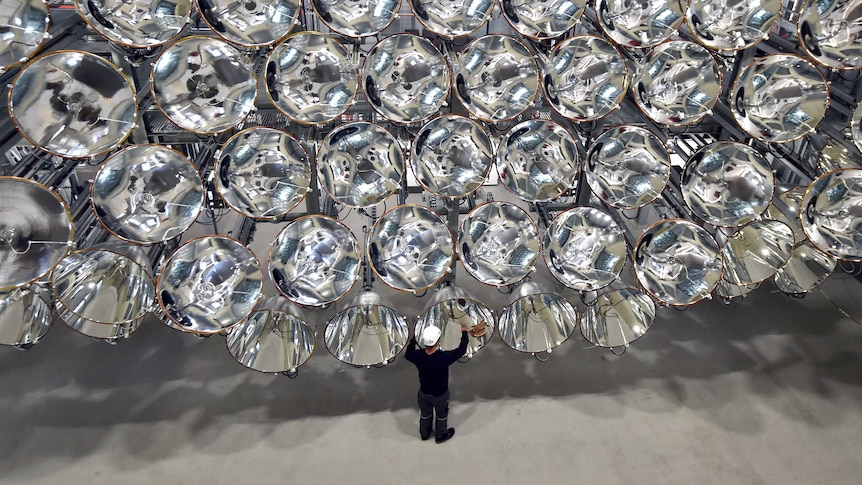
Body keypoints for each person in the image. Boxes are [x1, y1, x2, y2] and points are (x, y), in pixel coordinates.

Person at [404, 321, 486, 444]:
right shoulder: (443, 358)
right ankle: (441, 435)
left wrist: (413, 340)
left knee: (425, 414)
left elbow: (407, 354)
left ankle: (424, 433)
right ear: (437, 342)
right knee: (441, 415)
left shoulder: (418, 356)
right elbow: (461, 350)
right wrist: (464, 333)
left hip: (424, 393)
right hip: (440, 395)